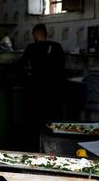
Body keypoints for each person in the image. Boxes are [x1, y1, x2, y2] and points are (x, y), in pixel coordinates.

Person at [19, 23, 65, 151]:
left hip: (35, 92)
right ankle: (54, 148)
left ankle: (35, 148)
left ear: (35, 34)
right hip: (54, 93)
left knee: (35, 123)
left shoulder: (31, 48)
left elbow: (21, 65)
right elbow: (62, 69)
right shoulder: (57, 47)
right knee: (52, 122)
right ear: (46, 33)